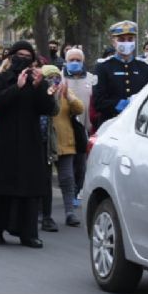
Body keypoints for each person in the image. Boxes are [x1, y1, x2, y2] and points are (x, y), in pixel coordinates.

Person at [0, 41, 57, 248]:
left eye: (27, 56)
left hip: (29, 141)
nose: (23, 59)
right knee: (1, 184)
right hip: (3, 140)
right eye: (19, 55)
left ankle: (27, 233)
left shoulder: (38, 82)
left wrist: (38, 88)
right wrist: (17, 88)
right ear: (11, 57)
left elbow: (49, 109)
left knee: (28, 185)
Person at [40, 65, 84, 227]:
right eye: (49, 77)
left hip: (65, 142)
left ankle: (70, 213)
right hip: (45, 143)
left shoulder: (65, 92)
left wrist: (69, 97)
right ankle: (43, 213)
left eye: (56, 77)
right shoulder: (40, 92)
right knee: (43, 180)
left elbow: (79, 108)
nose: (53, 81)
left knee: (67, 178)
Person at [92, 21, 148, 126]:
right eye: (121, 39)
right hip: (110, 123)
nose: (126, 43)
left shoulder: (144, 67)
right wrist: (119, 105)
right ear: (113, 42)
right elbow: (98, 102)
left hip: (136, 125)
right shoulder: (103, 67)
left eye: (130, 39)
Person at [62, 48, 93, 202]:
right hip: (64, 126)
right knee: (67, 162)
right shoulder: (60, 79)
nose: (75, 63)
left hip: (83, 127)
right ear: (65, 61)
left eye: (78, 60)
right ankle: (68, 192)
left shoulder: (92, 79)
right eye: (71, 60)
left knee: (81, 162)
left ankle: (76, 191)